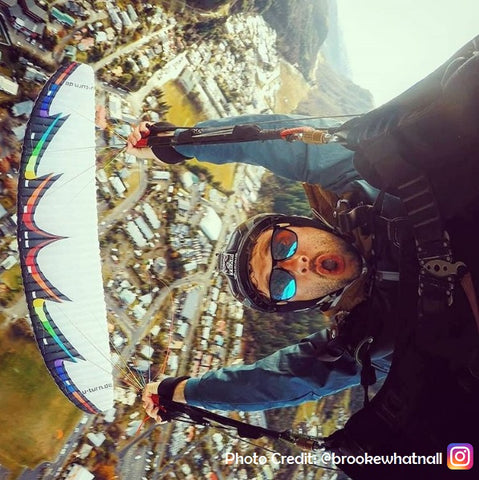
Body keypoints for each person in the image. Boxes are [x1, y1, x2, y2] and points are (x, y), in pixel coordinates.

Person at [126, 38, 479, 445]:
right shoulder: (367, 342)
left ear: (301, 224)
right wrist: (180, 393)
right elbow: (277, 382)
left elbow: (285, 146)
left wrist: (179, 143)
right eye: (282, 284)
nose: (296, 266)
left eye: (282, 247)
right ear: (301, 303)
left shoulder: (368, 183)